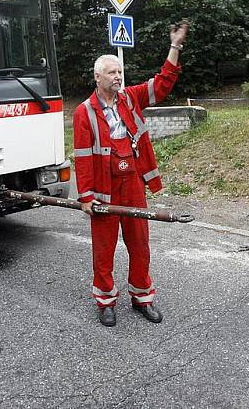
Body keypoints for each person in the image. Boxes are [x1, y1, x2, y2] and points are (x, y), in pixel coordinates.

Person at [73, 21, 189, 327]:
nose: (117, 76)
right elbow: (83, 157)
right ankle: (105, 301)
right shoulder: (84, 112)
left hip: (133, 184)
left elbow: (162, 84)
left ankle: (142, 297)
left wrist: (175, 45)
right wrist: (85, 196)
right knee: (104, 248)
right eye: (111, 73)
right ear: (97, 77)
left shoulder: (130, 97)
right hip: (103, 189)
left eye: (119, 72)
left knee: (139, 243)